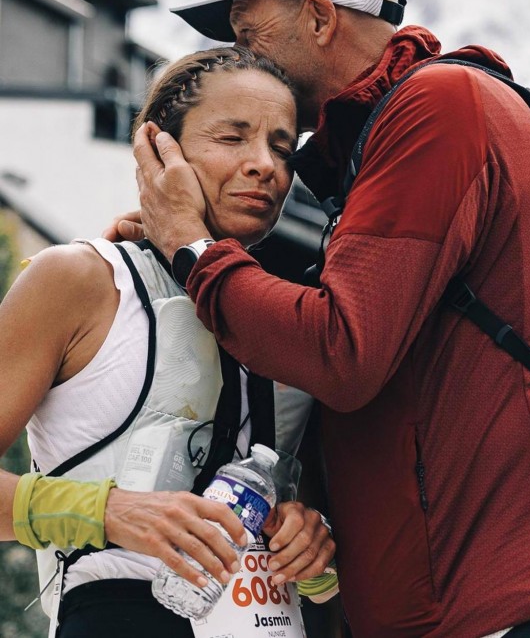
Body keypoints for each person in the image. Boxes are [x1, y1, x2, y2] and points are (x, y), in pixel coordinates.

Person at [117, 0, 530, 638]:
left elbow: (342, 350)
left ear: (320, 15)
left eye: (252, 35)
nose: (243, 59)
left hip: (524, 602)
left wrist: (192, 246)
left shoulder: (438, 108)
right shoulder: (399, 132)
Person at [0, 45, 335, 638]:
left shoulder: (294, 321)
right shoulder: (79, 280)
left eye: (283, 148)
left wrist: (311, 545)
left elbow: (302, 522)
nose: (265, 165)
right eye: (232, 138)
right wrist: (113, 511)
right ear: (160, 148)